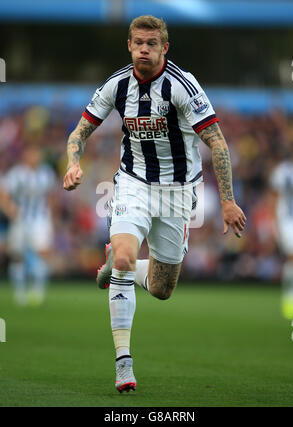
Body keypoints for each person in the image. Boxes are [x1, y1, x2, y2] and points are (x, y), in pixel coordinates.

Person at [63, 15, 246, 393]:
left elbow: (216, 141)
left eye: (151, 43)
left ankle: (119, 262)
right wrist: (73, 162)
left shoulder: (182, 85)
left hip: (178, 192)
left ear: (165, 48)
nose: (144, 49)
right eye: (137, 42)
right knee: (127, 259)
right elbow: (80, 131)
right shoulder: (116, 85)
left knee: (163, 289)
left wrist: (228, 201)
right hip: (132, 184)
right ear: (129, 46)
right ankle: (123, 362)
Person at [0, 144, 56, 306]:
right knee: (17, 255)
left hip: (40, 219)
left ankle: (38, 292)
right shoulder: (16, 174)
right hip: (20, 218)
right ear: (25, 155)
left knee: (43, 253)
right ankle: (20, 294)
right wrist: (10, 210)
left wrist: (51, 217)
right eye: (32, 154)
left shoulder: (46, 173)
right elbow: (3, 195)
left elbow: (51, 197)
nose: (35, 157)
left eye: (37, 154)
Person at [270, 142, 293, 319]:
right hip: (287, 221)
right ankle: (290, 298)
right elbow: (272, 198)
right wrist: (274, 224)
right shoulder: (283, 172)